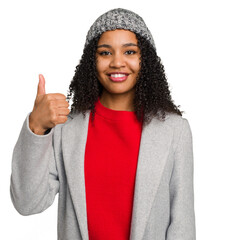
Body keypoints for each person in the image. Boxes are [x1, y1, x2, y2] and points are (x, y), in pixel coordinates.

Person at [10, 8, 196, 240]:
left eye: (129, 51)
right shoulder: (65, 128)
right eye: (105, 53)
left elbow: (182, 225)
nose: (117, 62)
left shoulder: (175, 130)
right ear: (92, 60)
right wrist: (36, 127)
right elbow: (27, 203)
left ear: (145, 59)